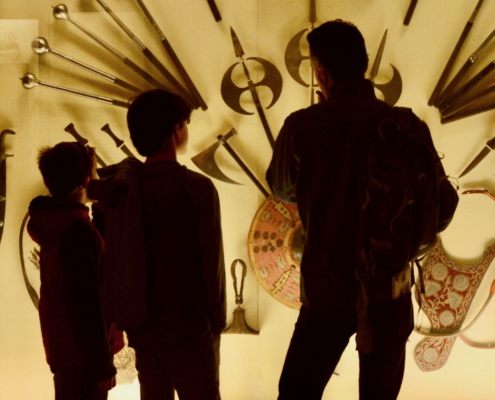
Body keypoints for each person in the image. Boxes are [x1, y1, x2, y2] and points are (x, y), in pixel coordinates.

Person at [266, 20, 457, 400]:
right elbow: (444, 208)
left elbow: (282, 188)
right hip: (390, 288)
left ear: (321, 71)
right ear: (364, 63)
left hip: (326, 289)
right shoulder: (406, 126)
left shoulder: (303, 126)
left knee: (297, 393)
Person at [88, 89, 226, 400]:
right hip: (192, 327)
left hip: (145, 327)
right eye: (185, 124)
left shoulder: (123, 190)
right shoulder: (199, 188)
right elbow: (212, 264)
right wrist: (216, 323)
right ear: (176, 130)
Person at [27, 142, 119, 400]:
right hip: (86, 358)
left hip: (64, 350)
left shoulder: (57, 222)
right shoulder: (78, 231)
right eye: (95, 172)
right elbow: (87, 303)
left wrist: (100, 212)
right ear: (86, 181)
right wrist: (103, 363)